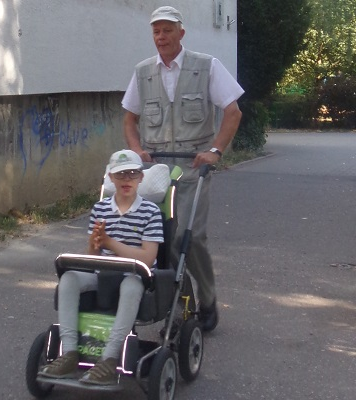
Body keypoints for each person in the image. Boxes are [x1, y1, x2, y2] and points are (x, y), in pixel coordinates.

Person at [122, 6, 244, 332]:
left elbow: (233, 112)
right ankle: (180, 305)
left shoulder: (206, 67)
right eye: (156, 32)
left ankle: (207, 298)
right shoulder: (143, 72)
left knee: (190, 238)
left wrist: (215, 150)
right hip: (155, 175)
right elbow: (129, 119)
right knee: (159, 239)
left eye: (167, 30)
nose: (161, 37)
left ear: (181, 33)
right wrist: (137, 150)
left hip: (192, 170)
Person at [39, 149, 164, 385]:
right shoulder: (101, 209)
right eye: (121, 174)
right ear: (111, 177)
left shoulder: (151, 212)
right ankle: (69, 352)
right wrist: (95, 243)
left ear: (141, 177)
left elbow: (147, 259)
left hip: (136, 275)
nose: (127, 179)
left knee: (131, 285)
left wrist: (109, 242)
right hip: (103, 272)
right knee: (69, 278)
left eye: (132, 174)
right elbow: (93, 256)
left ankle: (109, 358)